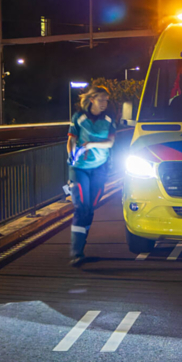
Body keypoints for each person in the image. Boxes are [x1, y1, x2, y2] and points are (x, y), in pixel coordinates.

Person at [67, 84, 116, 266]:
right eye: (101, 99)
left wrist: (90, 145)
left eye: (106, 100)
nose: (104, 103)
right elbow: (71, 138)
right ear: (92, 99)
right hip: (79, 167)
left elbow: (110, 143)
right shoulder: (78, 117)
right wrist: (72, 153)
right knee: (81, 207)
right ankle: (76, 252)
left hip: (100, 168)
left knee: (90, 207)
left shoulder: (109, 119)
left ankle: (81, 245)